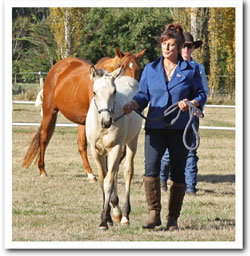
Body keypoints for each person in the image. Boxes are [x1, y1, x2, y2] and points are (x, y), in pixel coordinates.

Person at [123, 24, 207, 230]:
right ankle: (153, 214)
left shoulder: (192, 70)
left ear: (178, 47)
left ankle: (173, 219)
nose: (166, 48)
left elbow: (201, 94)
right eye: (163, 44)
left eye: (170, 45)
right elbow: (143, 95)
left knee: (178, 173)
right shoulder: (151, 69)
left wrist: (191, 103)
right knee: (150, 170)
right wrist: (134, 103)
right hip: (155, 127)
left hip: (180, 128)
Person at [160, 32, 209, 195]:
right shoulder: (168, 67)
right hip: (174, 115)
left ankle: (190, 187)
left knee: (191, 151)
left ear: (193, 48)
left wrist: (195, 105)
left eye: (190, 46)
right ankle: (161, 180)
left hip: (191, 115)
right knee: (168, 153)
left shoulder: (198, 68)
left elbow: (203, 92)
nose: (187, 49)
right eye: (184, 46)